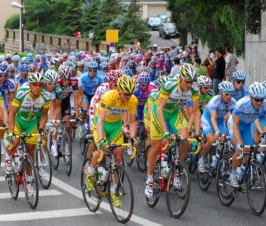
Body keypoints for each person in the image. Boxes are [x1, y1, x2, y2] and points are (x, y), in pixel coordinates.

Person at [145, 63, 200, 198]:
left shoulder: (194, 88)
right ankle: (150, 180)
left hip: (175, 113)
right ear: (180, 78)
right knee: (156, 147)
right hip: (160, 113)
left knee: (185, 142)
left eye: (191, 82)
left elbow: (195, 111)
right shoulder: (170, 85)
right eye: (187, 81)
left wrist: (197, 133)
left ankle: (177, 172)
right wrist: (165, 131)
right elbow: (158, 108)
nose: (189, 85)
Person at [85, 75, 138, 207]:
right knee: (101, 150)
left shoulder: (132, 100)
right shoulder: (108, 97)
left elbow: (132, 121)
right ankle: (90, 174)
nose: (128, 97)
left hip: (115, 127)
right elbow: (100, 120)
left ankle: (113, 191)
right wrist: (102, 139)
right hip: (102, 124)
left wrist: (132, 137)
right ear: (119, 90)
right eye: (126, 94)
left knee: (118, 154)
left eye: (130, 94)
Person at [5, 72, 50, 195]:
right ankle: (8, 158)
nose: (38, 87)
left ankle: (29, 180)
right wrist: (11, 131)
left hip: (31, 123)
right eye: (35, 84)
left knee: (31, 151)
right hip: (19, 121)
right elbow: (12, 113)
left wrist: (41, 129)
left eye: (40, 85)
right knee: (15, 141)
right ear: (30, 85)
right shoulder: (21, 93)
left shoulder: (46, 96)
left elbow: (44, 115)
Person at [227, 82, 266, 187]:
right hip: (234, 125)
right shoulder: (241, 104)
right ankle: (232, 175)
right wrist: (239, 141)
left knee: (249, 150)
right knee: (239, 149)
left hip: (246, 126)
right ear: (250, 96)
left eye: (261, 100)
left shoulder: (263, 105)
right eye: (256, 100)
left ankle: (242, 170)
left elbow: (256, 118)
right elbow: (235, 124)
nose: (259, 102)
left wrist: (262, 132)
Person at [198, 81, 236, 172]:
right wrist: (217, 131)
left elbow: (235, 118)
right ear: (220, 93)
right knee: (212, 140)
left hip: (220, 121)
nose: (229, 97)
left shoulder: (233, 102)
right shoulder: (214, 101)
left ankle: (218, 158)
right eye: (226, 94)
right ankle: (202, 160)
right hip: (208, 119)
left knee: (225, 139)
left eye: (231, 94)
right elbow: (213, 119)